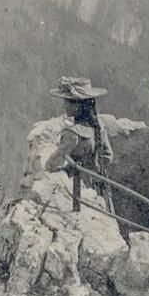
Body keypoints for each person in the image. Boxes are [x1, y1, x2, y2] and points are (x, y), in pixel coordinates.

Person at [47, 76, 115, 212]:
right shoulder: (98, 126)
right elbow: (108, 156)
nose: (64, 106)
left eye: (67, 102)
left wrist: (69, 169)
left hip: (78, 189)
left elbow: (53, 163)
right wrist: (93, 166)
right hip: (99, 185)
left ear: (77, 105)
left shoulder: (72, 134)